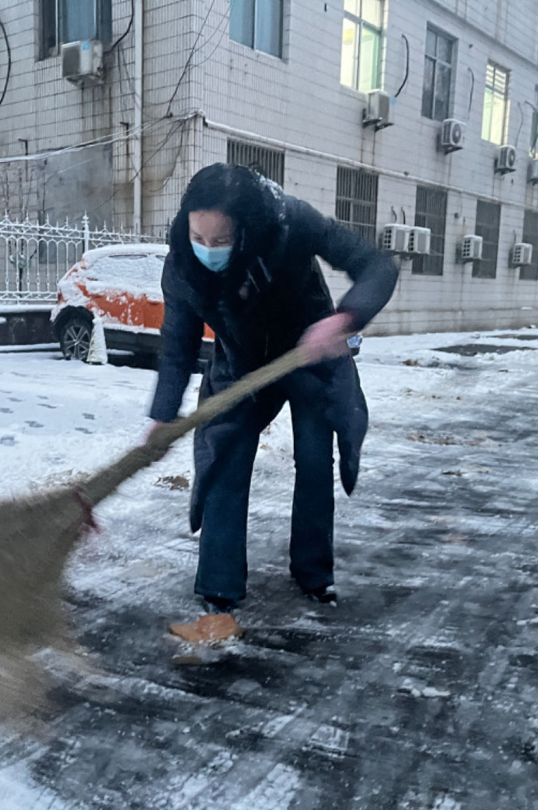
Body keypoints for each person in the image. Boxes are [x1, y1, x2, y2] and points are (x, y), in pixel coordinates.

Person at [148, 163, 398, 614]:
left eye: (221, 241)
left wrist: (342, 320)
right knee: (224, 455)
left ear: (247, 230)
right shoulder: (183, 266)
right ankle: (219, 589)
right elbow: (178, 344)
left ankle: (314, 574)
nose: (208, 250)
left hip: (310, 354)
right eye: (198, 238)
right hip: (242, 364)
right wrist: (163, 416)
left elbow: (377, 266)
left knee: (316, 459)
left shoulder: (291, 222)